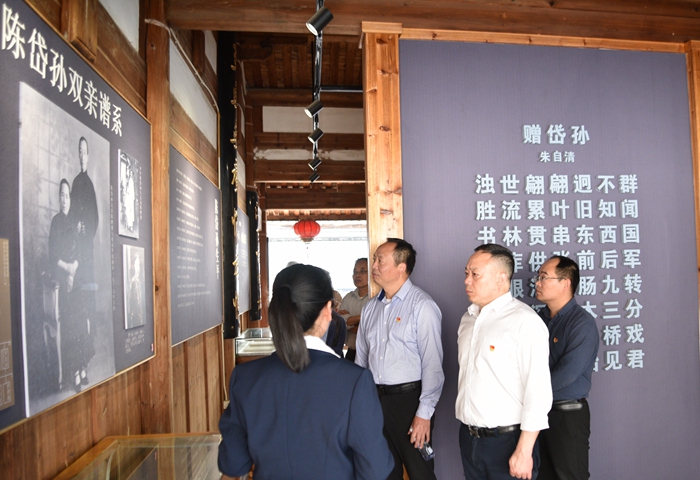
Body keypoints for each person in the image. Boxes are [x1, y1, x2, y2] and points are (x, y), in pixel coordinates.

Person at [218, 264, 393, 480]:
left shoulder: (245, 378)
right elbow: (375, 469)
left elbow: (233, 466)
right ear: (327, 310)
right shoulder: (354, 381)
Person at [457, 244, 552, 480]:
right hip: (469, 438)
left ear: (501, 278)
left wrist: (524, 450)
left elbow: (538, 391)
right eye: (466, 273)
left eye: (475, 274)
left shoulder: (524, 321)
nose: (467, 280)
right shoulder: (468, 319)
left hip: (507, 441)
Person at [355, 238, 444, 480]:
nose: (374, 265)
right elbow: (361, 362)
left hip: (409, 402)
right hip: (375, 401)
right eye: (374, 259)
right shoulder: (370, 308)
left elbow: (433, 366)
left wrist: (424, 414)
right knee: (383, 472)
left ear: (401, 267)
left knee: (420, 471)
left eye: (380, 260)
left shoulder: (422, 305)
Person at [534, 256, 599, 480]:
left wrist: (530, 394)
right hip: (537, 413)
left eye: (544, 277)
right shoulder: (537, 319)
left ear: (565, 283)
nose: (537, 282)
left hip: (567, 416)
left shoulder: (582, 322)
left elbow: (567, 374)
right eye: (538, 277)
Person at [69, 136, 98, 386]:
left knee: (88, 313)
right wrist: (76, 229)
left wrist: (85, 229)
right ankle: (77, 368)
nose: (81, 155)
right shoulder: (75, 183)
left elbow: (94, 219)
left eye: (84, 151)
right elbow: (70, 219)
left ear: (88, 155)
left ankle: (84, 365)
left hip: (87, 258)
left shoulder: (88, 184)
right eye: (79, 151)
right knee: (77, 314)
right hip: (75, 256)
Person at [48, 179, 80, 391]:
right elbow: (53, 256)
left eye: (67, 196)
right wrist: (67, 269)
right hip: (61, 277)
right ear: (58, 198)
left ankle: (78, 368)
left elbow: (79, 253)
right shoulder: (55, 222)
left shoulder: (74, 221)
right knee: (68, 320)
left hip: (74, 277)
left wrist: (74, 269)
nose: (64, 199)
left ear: (70, 198)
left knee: (78, 318)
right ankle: (69, 372)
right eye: (61, 195)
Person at [338, 258, 369, 362]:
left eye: (362, 271)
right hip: (351, 352)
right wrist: (362, 318)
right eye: (355, 272)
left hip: (371, 354)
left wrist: (350, 321)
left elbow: (371, 328)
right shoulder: (348, 297)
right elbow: (341, 323)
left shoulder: (375, 297)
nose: (357, 275)